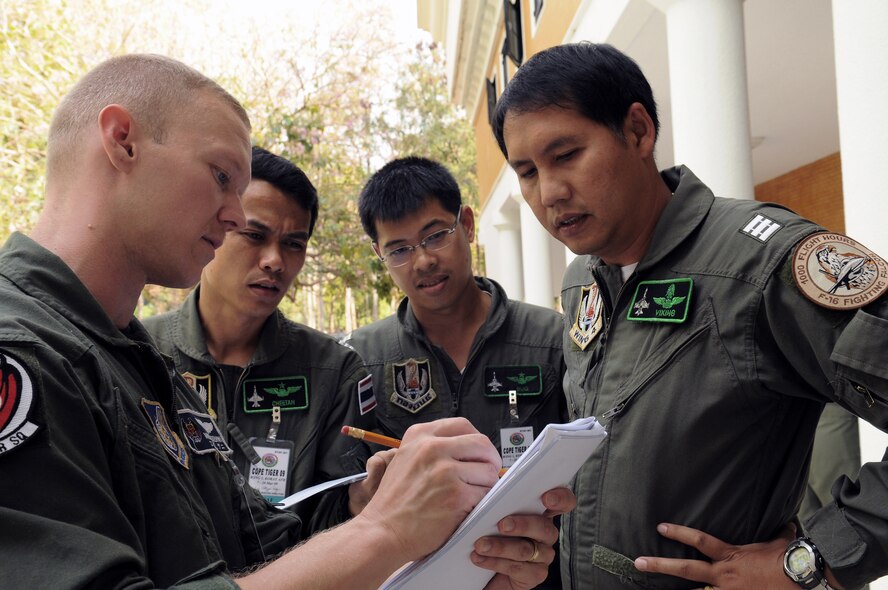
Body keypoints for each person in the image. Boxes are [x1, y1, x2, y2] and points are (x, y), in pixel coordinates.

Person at [0, 52, 575, 589]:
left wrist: (406, 524)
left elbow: (259, 541)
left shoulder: (140, 362)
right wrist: (385, 531)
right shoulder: (23, 353)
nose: (232, 216)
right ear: (122, 142)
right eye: (222, 176)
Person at [492, 42, 888, 589]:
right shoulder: (583, 279)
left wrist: (811, 562)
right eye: (527, 172)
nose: (550, 192)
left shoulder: (763, 263)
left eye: (566, 155)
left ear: (637, 131)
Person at [344, 156, 568, 589]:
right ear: (380, 254)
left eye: (435, 235)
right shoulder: (364, 357)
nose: (423, 260)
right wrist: (360, 500)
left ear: (466, 224)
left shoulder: (550, 338)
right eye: (400, 249)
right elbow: (346, 491)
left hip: (532, 575)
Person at [144, 146, 375, 533]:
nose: (275, 261)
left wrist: (358, 506)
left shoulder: (333, 372)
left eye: (294, 244)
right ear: (214, 227)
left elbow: (335, 523)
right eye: (255, 234)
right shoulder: (139, 353)